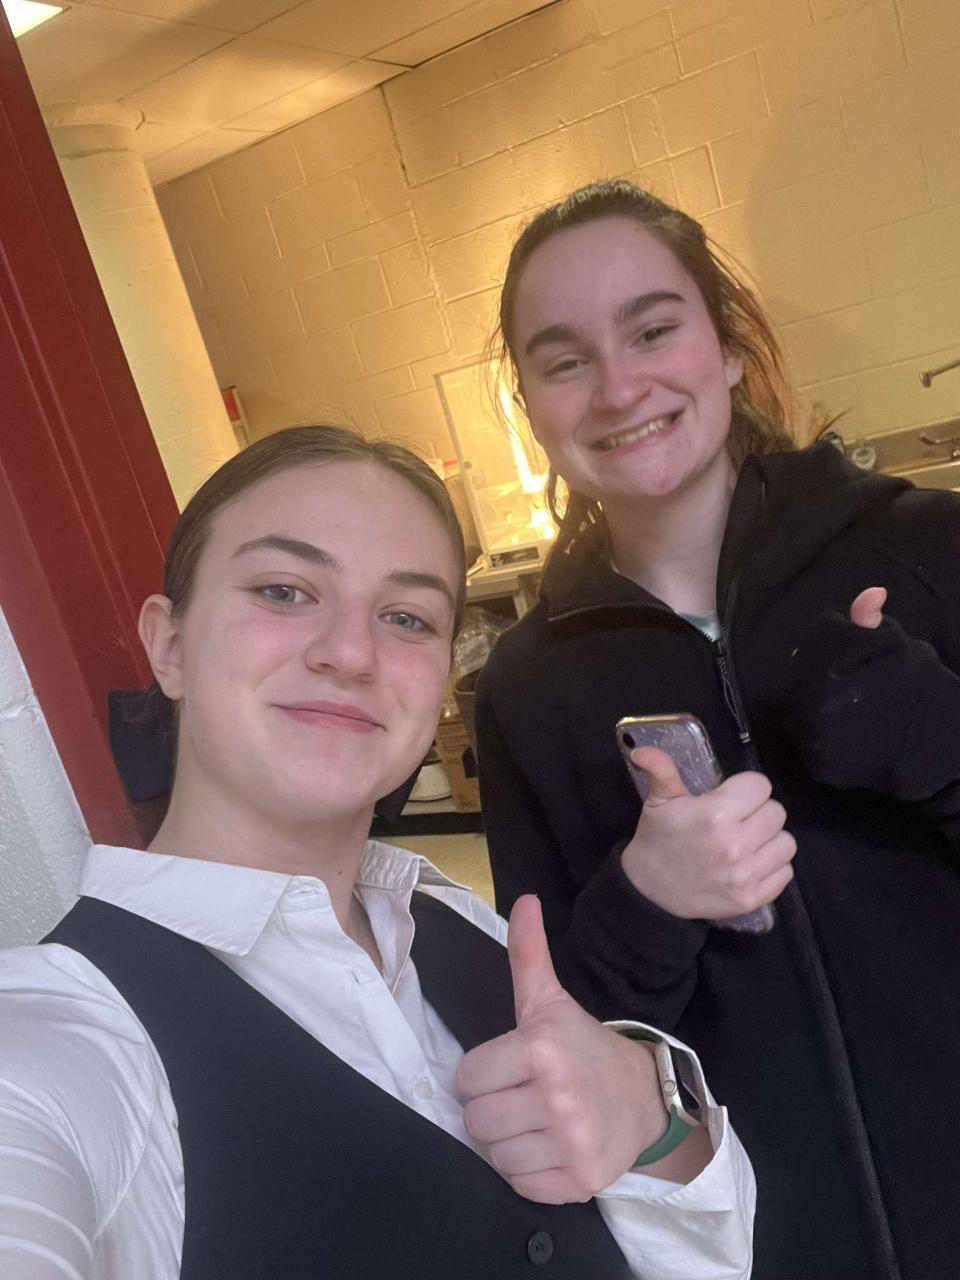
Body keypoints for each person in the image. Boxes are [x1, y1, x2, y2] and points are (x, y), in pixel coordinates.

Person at [0, 425, 755, 1280]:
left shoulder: (460, 923)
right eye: (284, 591)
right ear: (169, 645)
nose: (352, 653)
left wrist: (654, 1120)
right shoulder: (64, 1041)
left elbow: (713, 1257)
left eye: (406, 617)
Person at [474, 180, 960, 1280]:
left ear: (731, 347)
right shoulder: (526, 688)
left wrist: (934, 741)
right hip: (767, 1249)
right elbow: (565, 1040)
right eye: (564, 361)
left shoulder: (927, 551)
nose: (619, 387)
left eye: (652, 330)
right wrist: (648, 900)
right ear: (532, 407)